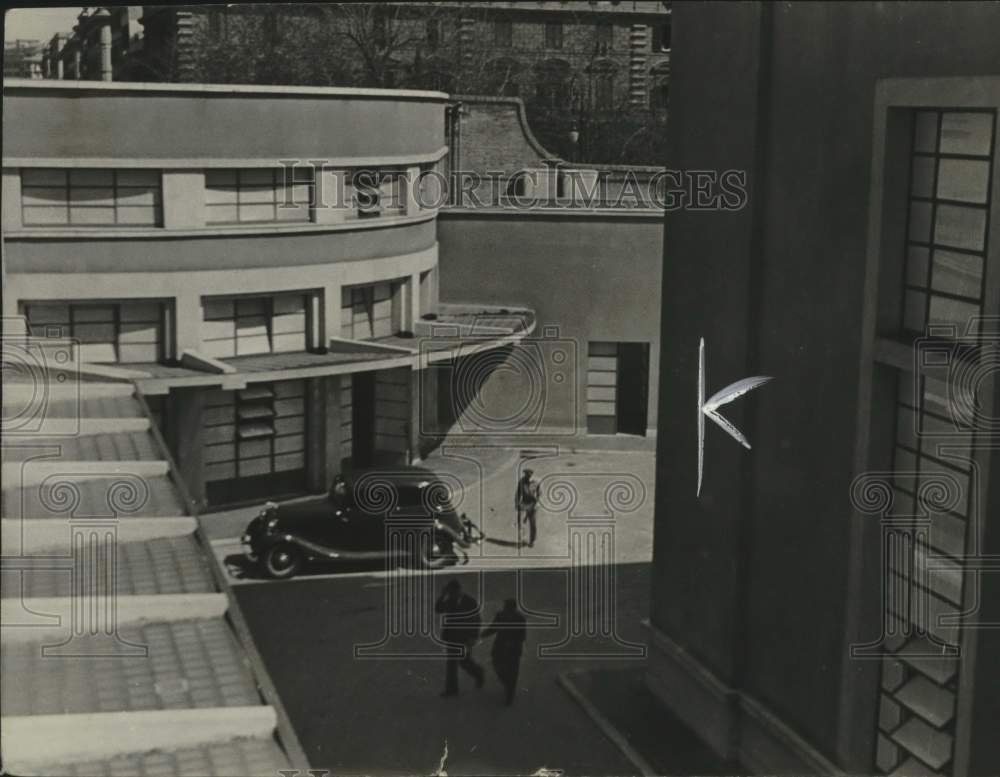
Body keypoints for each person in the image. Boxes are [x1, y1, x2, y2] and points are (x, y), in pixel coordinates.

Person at [435, 579, 484, 697]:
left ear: (458, 590)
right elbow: (438, 609)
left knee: (464, 661)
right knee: (451, 663)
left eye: (452, 592)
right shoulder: (449, 600)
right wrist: (442, 596)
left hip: (465, 638)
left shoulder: (470, 601)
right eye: (449, 592)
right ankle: (451, 690)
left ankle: (478, 673)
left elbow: (476, 620)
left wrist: (473, 636)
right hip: (451, 637)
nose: (451, 594)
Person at [481, 598, 527, 705]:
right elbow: (494, 627)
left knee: (512, 672)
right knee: (496, 664)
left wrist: (512, 643)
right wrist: (483, 634)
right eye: (505, 607)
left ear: (513, 608)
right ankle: (507, 683)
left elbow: (522, 636)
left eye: (508, 608)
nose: (506, 610)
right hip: (500, 646)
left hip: (513, 649)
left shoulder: (520, 618)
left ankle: (510, 695)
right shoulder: (501, 615)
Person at [516, 468, 541, 547]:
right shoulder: (521, 481)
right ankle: (521, 540)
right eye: (526, 474)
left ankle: (532, 541)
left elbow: (539, 493)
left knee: (533, 524)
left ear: (531, 474)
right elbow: (518, 493)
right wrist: (517, 504)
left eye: (529, 474)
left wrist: (537, 502)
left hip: (533, 504)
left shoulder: (536, 482)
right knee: (521, 523)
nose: (527, 476)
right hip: (524, 503)